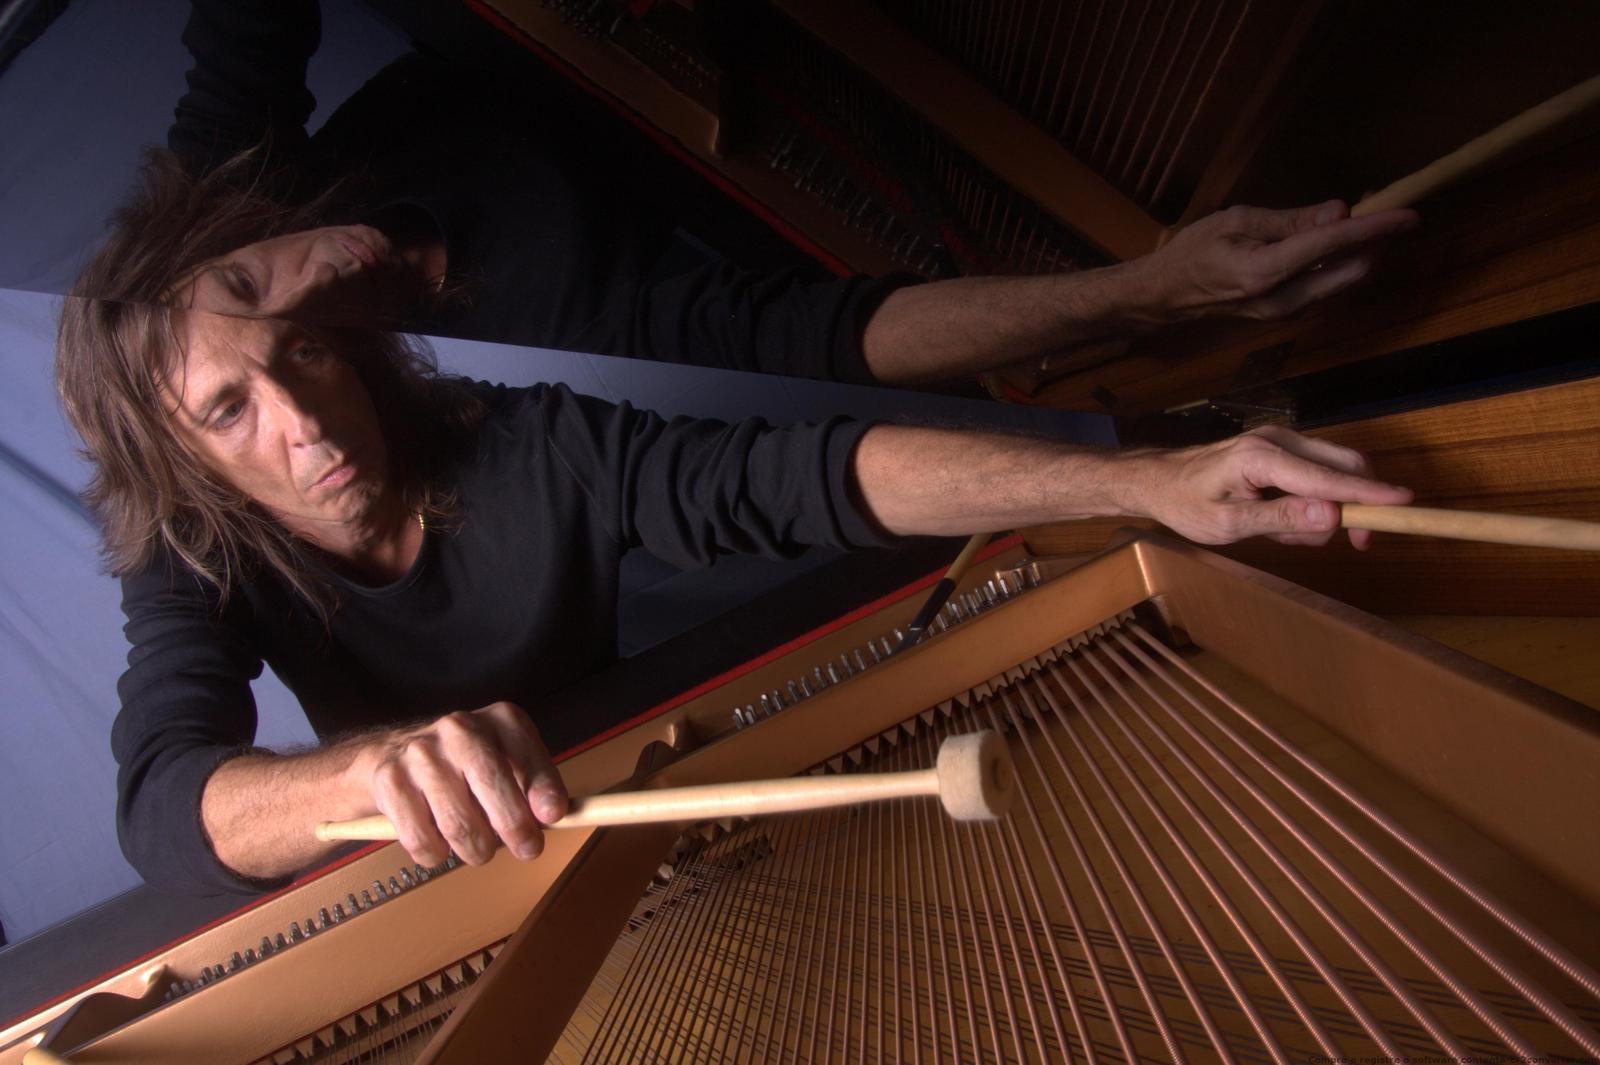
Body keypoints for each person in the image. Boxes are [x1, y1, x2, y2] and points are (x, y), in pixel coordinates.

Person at [58, 295, 1412, 897]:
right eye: (229, 409)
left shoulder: (524, 441)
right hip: (467, 878)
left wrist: (1142, 480)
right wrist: (372, 771)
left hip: (656, 792)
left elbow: (793, 476)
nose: (300, 420)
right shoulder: (195, 554)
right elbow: (165, 802)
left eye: (303, 355)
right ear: (181, 458)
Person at [128, 0, 1419, 388]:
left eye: (252, 278)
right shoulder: (551, 340)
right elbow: (828, 335)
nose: (323, 274)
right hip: (718, 113)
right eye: (309, 341)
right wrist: (1148, 289)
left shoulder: (229, 190)